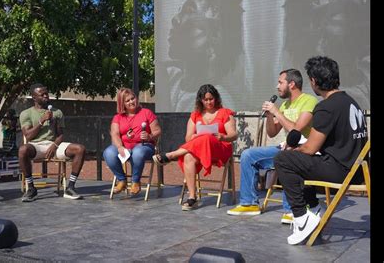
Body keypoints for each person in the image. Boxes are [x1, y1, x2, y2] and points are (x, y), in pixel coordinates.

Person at [274, 56, 368, 245]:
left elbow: (310, 148)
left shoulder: (326, 107)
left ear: (314, 81)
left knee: (284, 159)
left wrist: (295, 149)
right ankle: (314, 208)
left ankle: (302, 217)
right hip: (359, 169)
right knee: (301, 160)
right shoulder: (351, 102)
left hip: (342, 170)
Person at [227, 69, 318, 225]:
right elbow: (272, 133)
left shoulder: (309, 101)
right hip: (285, 147)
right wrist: (270, 116)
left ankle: (293, 210)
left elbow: (296, 129)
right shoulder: (284, 105)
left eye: (280, 82)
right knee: (248, 155)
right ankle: (249, 203)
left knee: (288, 155)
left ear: (292, 84)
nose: (277, 86)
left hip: (305, 149)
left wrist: (276, 111)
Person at [153, 84, 237, 211]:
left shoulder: (225, 113)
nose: (209, 102)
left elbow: (233, 135)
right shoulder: (195, 115)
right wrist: (197, 137)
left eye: (211, 99)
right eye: (205, 99)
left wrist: (222, 137)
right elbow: (188, 138)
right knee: (188, 155)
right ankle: (192, 197)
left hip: (220, 148)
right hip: (200, 149)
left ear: (216, 98)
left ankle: (172, 155)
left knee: (208, 138)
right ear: (201, 100)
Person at [156, 0, 245, 112]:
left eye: (189, 11)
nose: (176, 19)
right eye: (180, 11)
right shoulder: (172, 79)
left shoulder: (219, 101)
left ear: (215, 36)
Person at [18, 83, 86, 202]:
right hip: (36, 146)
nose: (46, 96)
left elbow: (60, 135)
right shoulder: (26, 113)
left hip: (54, 145)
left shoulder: (57, 112)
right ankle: (31, 189)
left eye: (46, 93)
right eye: (42, 94)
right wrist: (41, 121)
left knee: (80, 149)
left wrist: (54, 145)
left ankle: (70, 188)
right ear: (34, 98)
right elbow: (28, 136)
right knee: (23, 150)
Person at [103, 88, 162, 195]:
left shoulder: (146, 113)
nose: (131, 102)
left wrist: (149, 136)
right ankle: (122, 180)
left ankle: (135, 181)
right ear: (122, 104)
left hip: (145, 146)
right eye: (127, 101)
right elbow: (115, 134)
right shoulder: (118, 117)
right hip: (124, 147)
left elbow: (158, 131)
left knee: (138, 152)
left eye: (132, 98)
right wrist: (120, 147)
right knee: (108, 152)